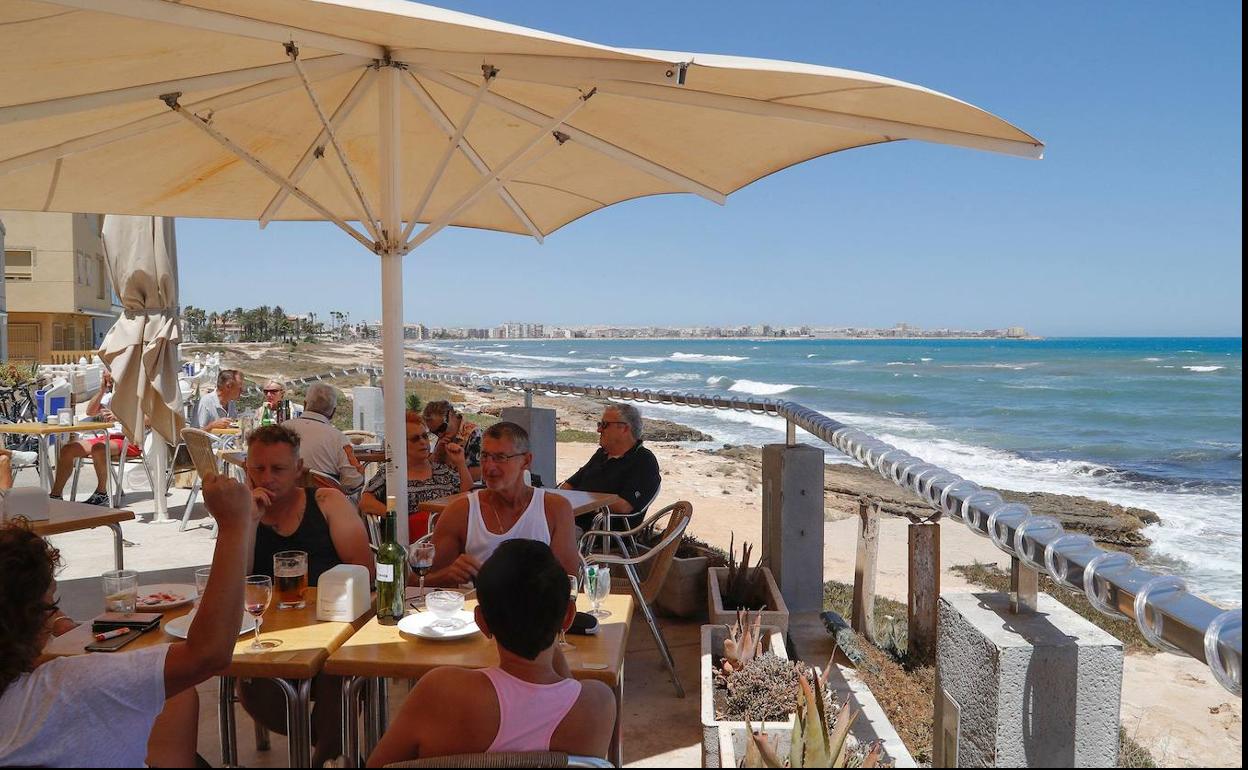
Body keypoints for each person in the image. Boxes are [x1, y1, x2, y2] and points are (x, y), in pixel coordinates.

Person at [0, 473, 259, 767]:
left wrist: (60, 623)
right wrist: (234, 525)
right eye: (51, 605)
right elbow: (208, 654)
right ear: (30, 619)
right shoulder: (67, 687)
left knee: (175, 699)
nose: (53, 617)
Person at [366, 539, 616, 765]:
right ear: (569, 617)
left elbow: (378, 765)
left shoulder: (440, 692)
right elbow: (563, 689)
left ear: (481, 622)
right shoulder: (597, 706)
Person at [240, 424, 373, 767]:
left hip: (333, 627)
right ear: (246, 468)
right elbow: (235, 582)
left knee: (340, 668)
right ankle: (334, 746)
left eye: (278, 469)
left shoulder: (326, 502)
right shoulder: (241, 514)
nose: (267, 477)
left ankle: (323, 756)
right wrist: (249, 521)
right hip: (270, 633)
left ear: (299, 469)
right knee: (252, 686)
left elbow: (365, 571)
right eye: (259, 468)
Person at [424, 422, 579, 588]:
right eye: (484, 456)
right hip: (478, 611)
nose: (489, 467)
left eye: (500, 458)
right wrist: (449, 575)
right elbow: (419, 581)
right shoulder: (461, 511)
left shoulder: (554, 509)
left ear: (526, 461)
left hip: (535, 610)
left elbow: (568, 583)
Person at [359, 412, 471, 542]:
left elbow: (466, 496)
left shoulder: (442, 470)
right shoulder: (391, 473)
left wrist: (461, 463)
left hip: (448, 537)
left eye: (425, 436)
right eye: (415, 439)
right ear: (400, 444)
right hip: (409, 543)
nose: (423, 442)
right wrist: (395, 517)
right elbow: (365, 502)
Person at [47, 369, 142, 506]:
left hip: (130, 439)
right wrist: (102, 390)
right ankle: (55, 495)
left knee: (99, 448)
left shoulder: (137, 395)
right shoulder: (110, 396)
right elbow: (90, 411)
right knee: (68, 449)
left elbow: (149, 420)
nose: (109, 380)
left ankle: (102, 494)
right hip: (107, 438)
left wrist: (119, 416)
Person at [560, 403, 661, 530]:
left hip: (601, 531)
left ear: (624, 428)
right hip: (570, 519)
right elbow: (569, 485)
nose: (599, 430)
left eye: (604, 425)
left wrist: (581, 501)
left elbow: (624, 505)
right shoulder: (601, 454)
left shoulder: (643, 460)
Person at [283, 383, 364, 491]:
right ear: (333, 412)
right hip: (323, 503)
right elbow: (354, 481)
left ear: (305, 404)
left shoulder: (282, 429)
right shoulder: (338, 438)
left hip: (284, 500)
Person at [423, 400, 483, 483]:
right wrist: (436, 454)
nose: (439, 435)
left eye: (441, 428)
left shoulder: (473, 433)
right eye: (435, 432)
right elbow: (427, 467)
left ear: (450, 414)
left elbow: (476, 475)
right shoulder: (445, 436)